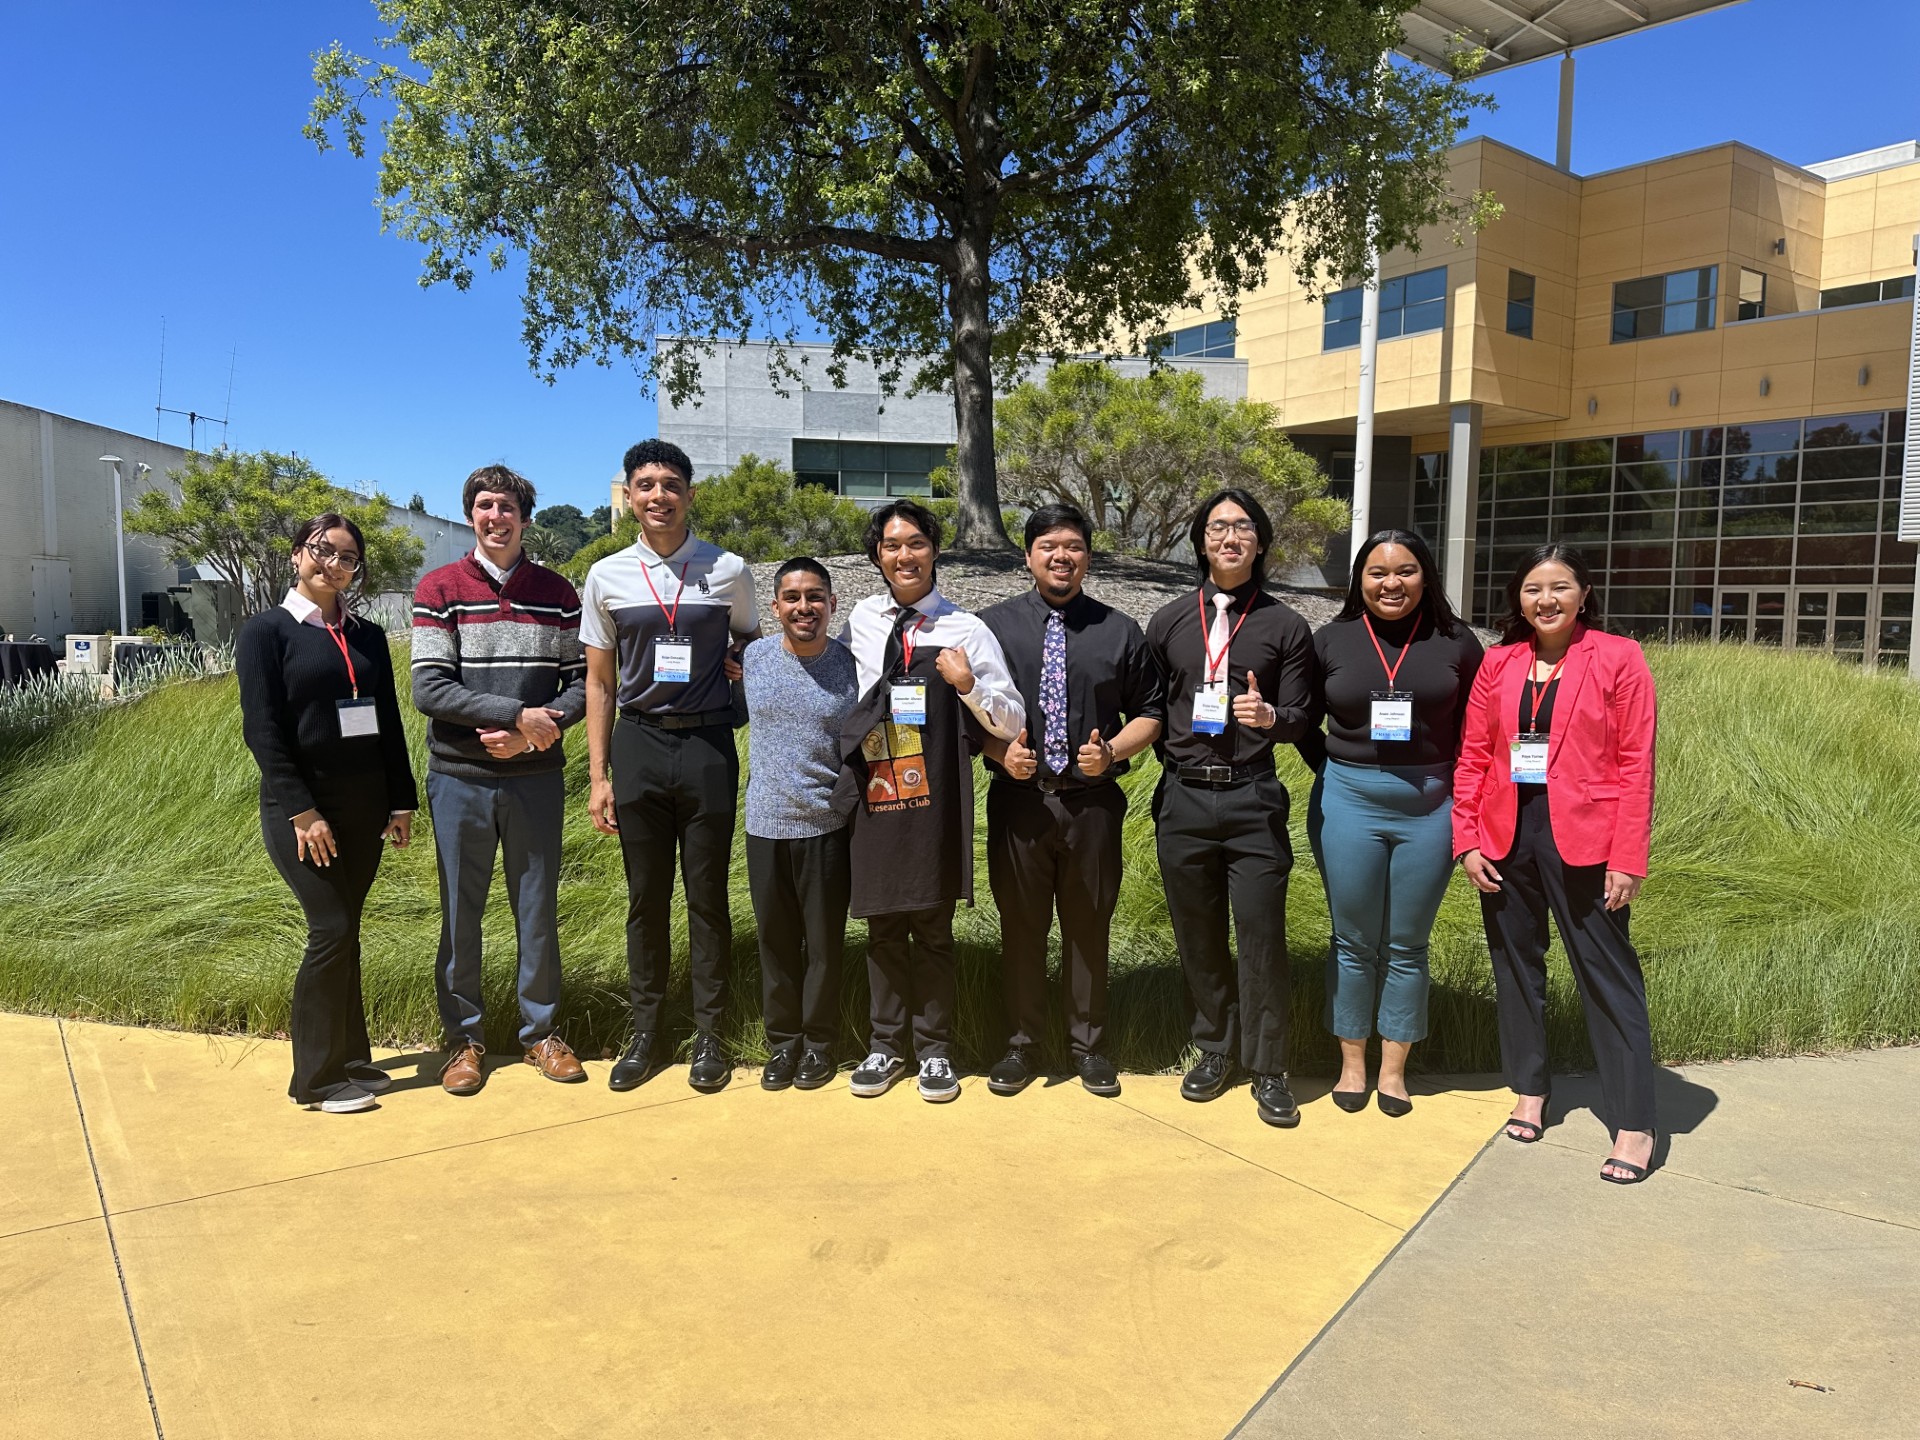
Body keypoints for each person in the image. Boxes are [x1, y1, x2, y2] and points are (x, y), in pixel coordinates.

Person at [1453, 543, 1659, 1184]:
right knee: (1516, 970)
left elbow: (1635, 764)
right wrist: (1467, 840)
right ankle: (1530, 1092)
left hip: (1587, 842)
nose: (1546, 600)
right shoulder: (1499, 662)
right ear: (1519, 598)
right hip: (1506, 833)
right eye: (1534, 589)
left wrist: (1626, 856)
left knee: (1607, 976)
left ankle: (1634, 1122)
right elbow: (1475, 757)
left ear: (1583, 594)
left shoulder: (1618, 657)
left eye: (1560, 587)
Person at [582, 439, 760, 1094]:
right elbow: (599, 684)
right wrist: (600, 775)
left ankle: (712, 1035)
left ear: (689, 494)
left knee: (708, 900)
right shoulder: (606, 576)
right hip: (640, 745)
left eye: (671, 484)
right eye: (645, 484)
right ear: (629, 495)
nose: (658, 495)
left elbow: (750, 643)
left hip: (709, 747)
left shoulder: (728, 569)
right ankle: (646, 1034)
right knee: (645, 900)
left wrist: (739, 668)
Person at [834, 500, 1023, 1102]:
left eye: (915, 543)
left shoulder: (966, 629)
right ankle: (886, 1047)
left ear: (934, 550)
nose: (904, 555)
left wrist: (967, 686)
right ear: (878, 557)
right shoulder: (862, 619)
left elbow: (1011, 718)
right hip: (875, 792)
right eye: (892, 546)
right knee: (884, 928)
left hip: (936, 798)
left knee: (933, 929)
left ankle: (935, 1052)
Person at [411, 464, 588, 1095]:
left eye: (507, 506)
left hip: (536, 778)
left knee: (537, 909)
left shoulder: (559, 593)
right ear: (470, 515)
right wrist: (515, 714)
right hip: (459, 778)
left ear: (524, 517)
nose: (496, 516)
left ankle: (540, 1034)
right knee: (462, 912)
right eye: (484, 505)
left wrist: (536, 730)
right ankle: (463, 1041)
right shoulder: (438, 588)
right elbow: (429, 688)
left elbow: (580, 685)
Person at [977, 503, 1165, 1097]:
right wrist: (997, 750)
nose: (1062, 556)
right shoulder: (993, 627)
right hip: (1019, 801)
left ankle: (1088, 1045)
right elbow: (968, 711)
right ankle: (1022, 1044)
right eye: (1049, 546)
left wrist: (1110, 752)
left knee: (1089, 925)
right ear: (1028, 555)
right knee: (1022, 926)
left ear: (1088, 555)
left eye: (1075, 546)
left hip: (1092, 806)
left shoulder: (1119, 630)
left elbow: (1152, 712)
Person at [1144, 488, 1314, 1127]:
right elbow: (1153, 706)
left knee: (1263, 934)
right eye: (1217, 528)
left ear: (1261, 542)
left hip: (1252, 794)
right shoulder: (1168, 621)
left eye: (1242, 527)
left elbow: (1302, 716)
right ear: (1202, 541)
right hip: (1185, 794)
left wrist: (1272, 715)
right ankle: (1215, 1047)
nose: (1229, 538)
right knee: (1199, 933)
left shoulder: (1284, 625)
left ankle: (1269, 1065)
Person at [1300, 529, 1483, 1117]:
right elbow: (1303, 719)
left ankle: (1394, 1070)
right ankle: (1352, 1064)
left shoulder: (1456, 642)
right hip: (1348, 799)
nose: (1391, 584)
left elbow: (1479, 729)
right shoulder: (1331, 639)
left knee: (1407, 944)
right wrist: (1336, 769)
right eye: (1377, 573)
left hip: (1430, 803)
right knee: (1353, 942)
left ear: (1425, 576)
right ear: (1360, 580)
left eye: (1404, 571)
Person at [238, 514, 417, 1114]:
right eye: (322, 551)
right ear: (297, 554)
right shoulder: (267, 632)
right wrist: (301, 811)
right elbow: (262, 733)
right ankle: (314, 1081)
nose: (332, 564)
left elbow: (387, 721)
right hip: (304, 814)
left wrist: (401, 799)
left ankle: (350, 1058)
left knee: (348, 930)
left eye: (347, 559)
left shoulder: (365, 635)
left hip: (364, 806)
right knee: (330, 929)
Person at [741, 557, 860, 1091]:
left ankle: (819, 1044)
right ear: (776, 608)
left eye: (815, 597)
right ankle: (782, 1044)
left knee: (824, 944)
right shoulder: (754, 658)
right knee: (776, 943)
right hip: (765, 824)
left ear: (833, 604)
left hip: (826, 826)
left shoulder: (852, 667)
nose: (804, 607)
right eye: (792, 598)